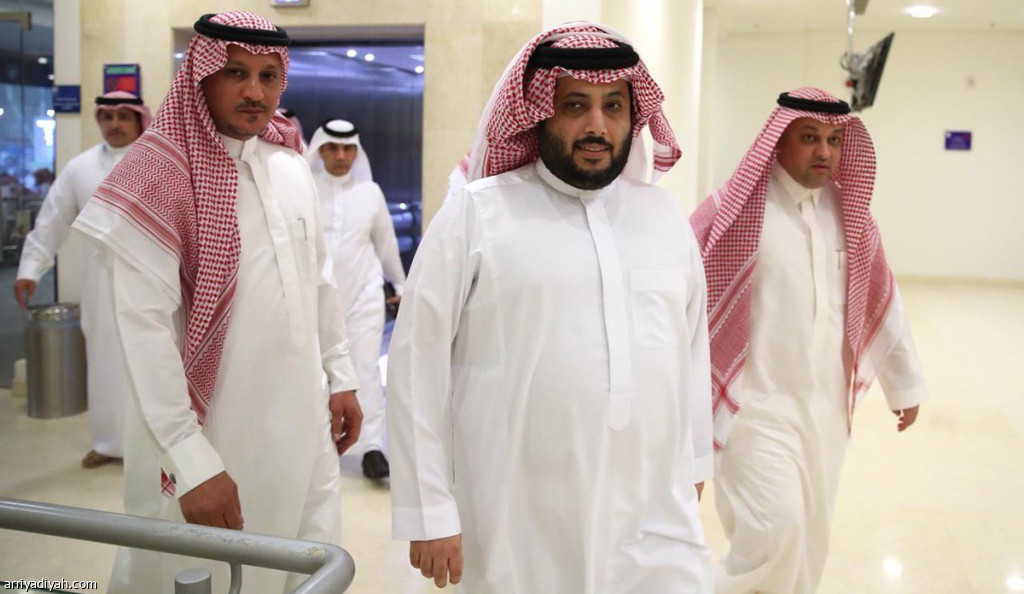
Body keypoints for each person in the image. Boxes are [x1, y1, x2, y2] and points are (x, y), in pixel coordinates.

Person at [387, 22, 714, 592]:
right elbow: (417, 362)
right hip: (517, 518)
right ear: (538, 113)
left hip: (654, 515)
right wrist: (428, 509)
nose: (597, 126)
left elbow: (691, 354)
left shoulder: (664, 219)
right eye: (575, 105)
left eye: (614, 106)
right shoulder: (476, 214)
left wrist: (695, 463)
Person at [71, 12, 362, 593]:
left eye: (268, 75)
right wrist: (190, 460)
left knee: (302, 557)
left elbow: (320, 281)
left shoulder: (290, 166)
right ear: (201, 75)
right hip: (214, 429)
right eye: (235, 72)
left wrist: (342, 375)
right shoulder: (155, 176)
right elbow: (145, 334)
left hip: (302, 420)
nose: (255, 91)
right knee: (188, 571)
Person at [691, 87, 927, 593]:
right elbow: (682, 299)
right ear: (778, 141)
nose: (825, 151)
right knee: (774, 533)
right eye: (810, 137)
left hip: (824, 409)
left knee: (812, 539)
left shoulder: (849, 214)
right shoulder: (735, 211)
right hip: (753, 410)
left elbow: (882, 296)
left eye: (834, 140)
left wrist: (904, 384)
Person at [14, 91, 151, 468]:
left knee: (151, 361)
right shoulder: (80, 167)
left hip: (151, 284)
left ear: (139, 119)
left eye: (124, 116)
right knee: (104, 361)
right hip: (100, 287)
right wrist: (30, 269)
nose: (115, 124)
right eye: (107, 116)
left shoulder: (158, 162)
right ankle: (108, 443)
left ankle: (152, 449)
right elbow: (51, 220)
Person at [307, 119, 406, 480]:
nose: (340, 155)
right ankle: (316, 444)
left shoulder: (370, 192)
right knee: (314, 372)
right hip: (315, 300)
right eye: (333, 148)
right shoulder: (305, 188)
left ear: (356, 152)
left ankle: (371, 448)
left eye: (348, 148)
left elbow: (386, 244)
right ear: (320, 150)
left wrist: (400, 284)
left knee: (365, 369)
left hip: (364, 296)